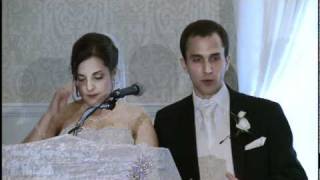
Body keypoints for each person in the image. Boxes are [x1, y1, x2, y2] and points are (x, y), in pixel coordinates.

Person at [3, 32, 181, 179]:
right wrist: (49, 115)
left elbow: (148, 171)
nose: (89, 87)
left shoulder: (136, 117)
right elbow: (18, 164)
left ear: (113, 74)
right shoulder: (65, 114)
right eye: (81, 79)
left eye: (98, 77)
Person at [154, 19, 307, 180]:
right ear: (184, 64)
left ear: (227, 61)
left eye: (214, 58)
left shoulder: (267, 113)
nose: (207, 69)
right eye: (197, 60)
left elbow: (295, 176)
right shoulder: (166, 120)